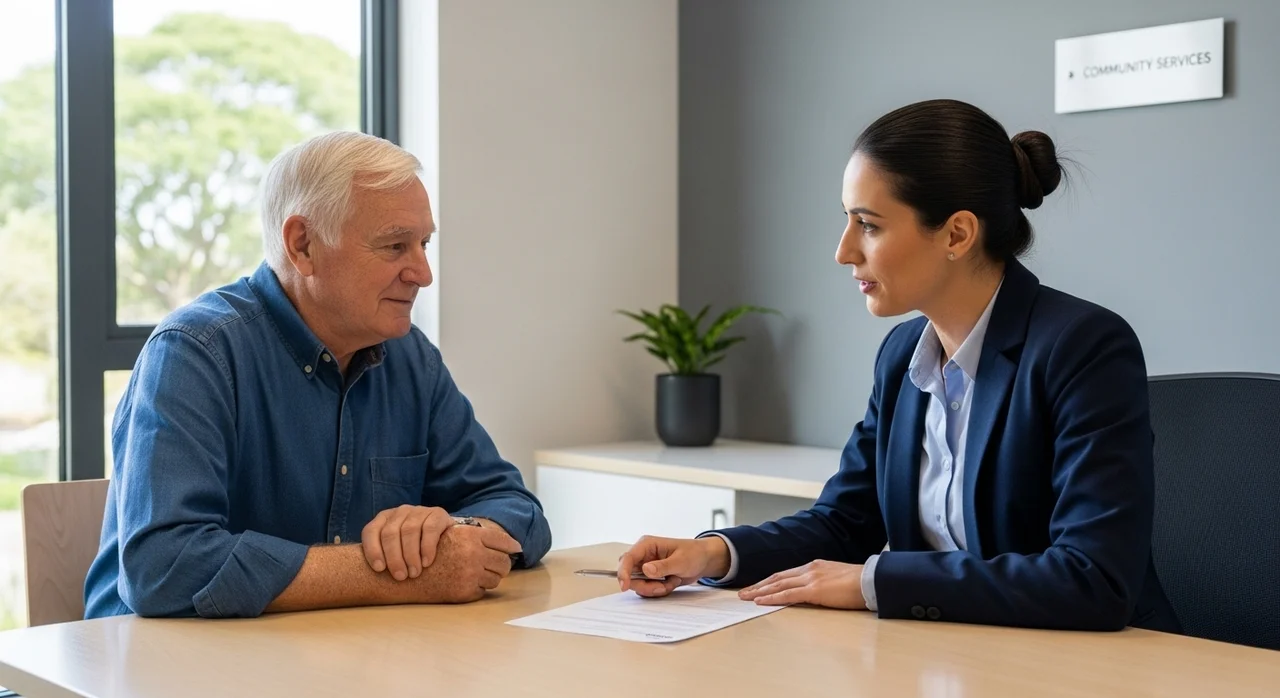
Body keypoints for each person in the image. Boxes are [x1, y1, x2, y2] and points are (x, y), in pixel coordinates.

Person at [616, 99, 1181, 633]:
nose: (843, 250)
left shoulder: (1082, 347)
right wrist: (713, 551)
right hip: (953, 658)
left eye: (869, 224)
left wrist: (873, 581)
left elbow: (1093, 578)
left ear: (957, 233)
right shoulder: (901, 355)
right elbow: (846, 521)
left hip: (1091, 668)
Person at [85, 131, 551, 619]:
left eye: (423, 243)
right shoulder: (194, 352)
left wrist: (457, 534)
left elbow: (516, 508)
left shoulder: (410, 357)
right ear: (302, 245)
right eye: (395, 246)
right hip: (162, 670)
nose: (423, 273)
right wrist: (388, 575)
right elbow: (164, 568)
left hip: (335, 658)